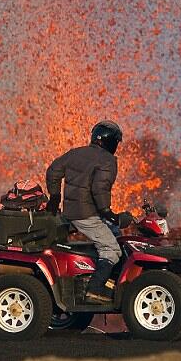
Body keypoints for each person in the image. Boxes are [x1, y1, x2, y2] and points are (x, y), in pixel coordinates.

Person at [46, 120, 124, 304]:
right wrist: (107, 212)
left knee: (114, 233)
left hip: (70, 212)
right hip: (87, 214)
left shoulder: (75, 153)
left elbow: (53, 171)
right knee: (112, 249)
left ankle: (108, 279)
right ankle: (95, 290)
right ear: (109, 141)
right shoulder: (108, 160)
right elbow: (100, 188)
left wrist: (54, 197)